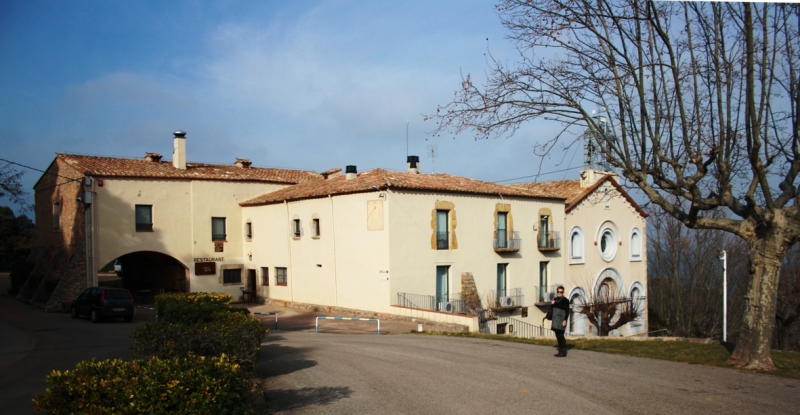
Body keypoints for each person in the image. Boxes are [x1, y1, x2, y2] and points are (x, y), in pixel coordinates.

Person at [550, 286, 569, 357]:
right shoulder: (555, 299)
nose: (559, 293)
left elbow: (567, 311)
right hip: (555, 320)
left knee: (561, 335)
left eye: (561, 292)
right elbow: (551, 309)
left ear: (563, 292)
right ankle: (560, 350)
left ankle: (563, 351)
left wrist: (565, 320)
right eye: (558, 292)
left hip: (561, 320)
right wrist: (552, 304)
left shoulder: (565, 300)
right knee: (557, 335)